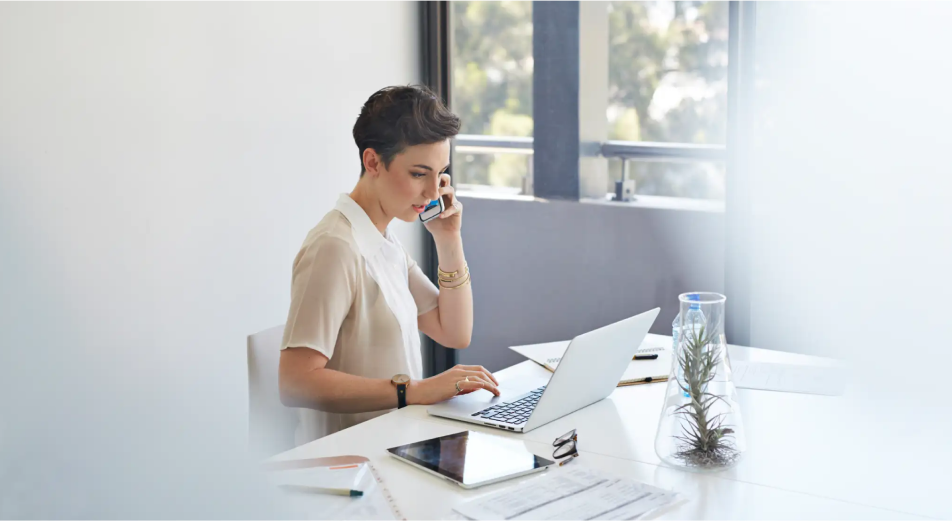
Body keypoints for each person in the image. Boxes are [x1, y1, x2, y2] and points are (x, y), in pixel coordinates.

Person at [278, 85, 499, 443]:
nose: (432, 192)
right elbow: (294, 382)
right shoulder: (334, 247)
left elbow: (453, 331)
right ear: (373, 162)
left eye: (439, 173)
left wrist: (448, 239)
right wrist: (410, 391)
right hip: (353, 462)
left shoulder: (384, 241)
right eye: (417, 174)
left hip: (397, 444)